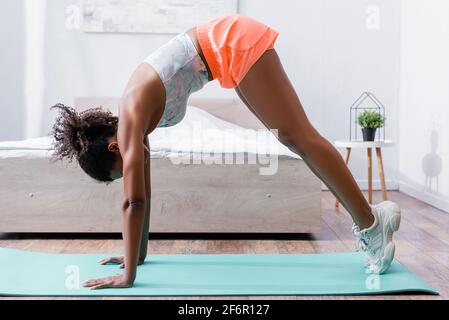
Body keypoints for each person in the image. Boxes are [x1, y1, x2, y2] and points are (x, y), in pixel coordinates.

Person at [50, 14, 401, 290]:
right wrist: (136, 257)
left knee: (297, 136)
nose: (129, 174)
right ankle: (372, 219)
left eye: (120, 170)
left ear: (114, 147)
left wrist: (127, 277)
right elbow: (144, 191)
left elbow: (133, 202)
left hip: (229, 42)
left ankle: (371, 223)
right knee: (291, 136)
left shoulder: (129, 120)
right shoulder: (133, 123)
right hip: (226, 52)